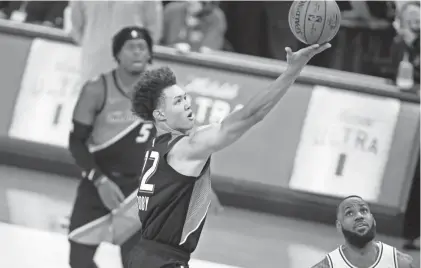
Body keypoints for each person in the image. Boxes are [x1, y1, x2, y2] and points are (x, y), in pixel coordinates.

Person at [125, 42, 331, 267]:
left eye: (185, 97)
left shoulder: (157, 147)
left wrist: (200, 189)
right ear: (160, 115)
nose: (186, 104)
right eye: (177, 101)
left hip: (143, 255)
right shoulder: (187, 147)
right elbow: (250, 115)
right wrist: (292, 71)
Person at [67, 26, 156, 268]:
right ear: (117, 53)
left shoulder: (162, 94)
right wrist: (99, 179)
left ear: (150, 54)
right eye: (130, 47)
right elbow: (76, 142)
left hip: (138, 191)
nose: (137, 53)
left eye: (142, 48)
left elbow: (178, 142)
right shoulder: (96, 89)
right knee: (79, 261)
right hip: (99, 185)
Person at [311, 195, 415, 268]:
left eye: (364, 210)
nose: (359, 216)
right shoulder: (327, 266)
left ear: (373, 220)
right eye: (349, 213)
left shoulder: (399, 262)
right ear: (339, 226)